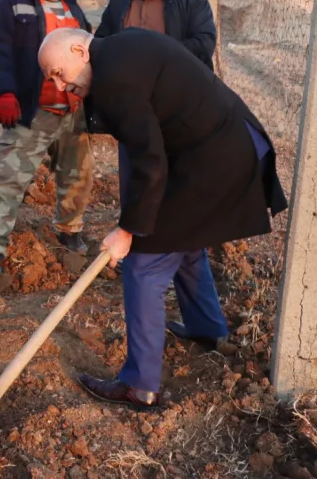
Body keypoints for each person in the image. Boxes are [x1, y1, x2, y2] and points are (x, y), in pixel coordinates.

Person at [37, 27, 288, 409]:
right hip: (227, 145)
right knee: (182, 242)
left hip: (215, 157)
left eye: (58, 72)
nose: (60, 85)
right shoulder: (121, 49)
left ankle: (139, 385)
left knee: (144, 263)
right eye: (52, 79)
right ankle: (207, 330)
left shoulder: (113, 79)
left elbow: (149, 160)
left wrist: (127, 229)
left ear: (79, 50)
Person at [0, 0, 95, 280]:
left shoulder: (74, 7)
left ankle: (69, 230)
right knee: (10, 179)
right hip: (33, 108)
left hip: (73, 110)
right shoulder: (11, 2)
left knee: (77, 176)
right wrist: (4, 93)